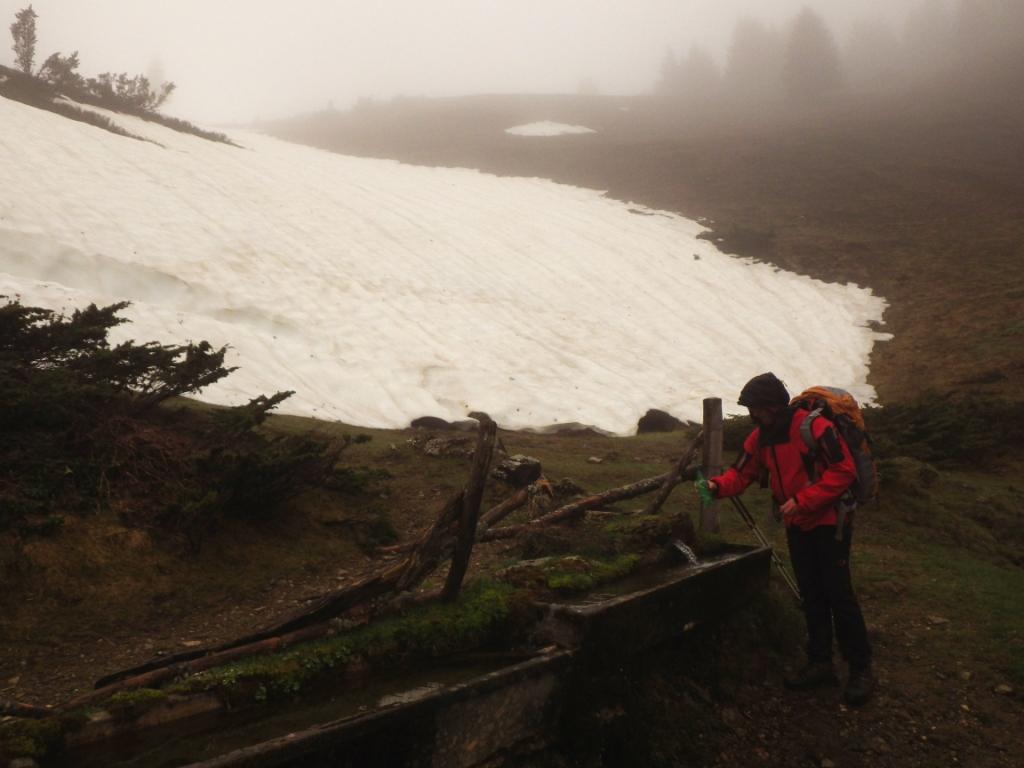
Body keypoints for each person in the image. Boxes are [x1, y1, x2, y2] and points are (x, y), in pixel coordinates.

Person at [703, 372, 874, 706]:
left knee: (839, 594)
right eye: (751, 410)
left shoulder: (814, 429)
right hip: (798, 524)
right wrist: (716, 487)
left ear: (774, 406)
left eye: (757, 409)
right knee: (811, 594)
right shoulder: (760, 438)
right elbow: (742, 473)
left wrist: (804, 500)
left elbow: (844, 471)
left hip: (830, 521)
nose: (754, 415)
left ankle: (860, 668)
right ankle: (820, 662)